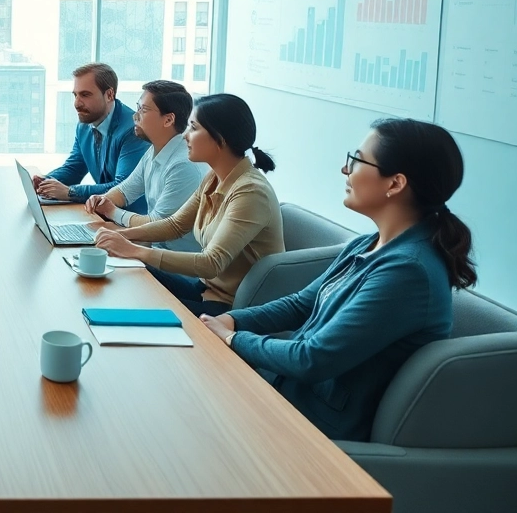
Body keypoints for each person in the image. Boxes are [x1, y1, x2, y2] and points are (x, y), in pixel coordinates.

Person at [200, 119, 474, 442]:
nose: (346, 170)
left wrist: (233, 340)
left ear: (395, 183)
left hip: (315, 430)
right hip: (286, 395)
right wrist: (231, 320)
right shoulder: (370, 243)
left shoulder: (409, 273)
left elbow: (312, 359)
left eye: (356, 160)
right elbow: (301, 303)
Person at [94, 93, 284, 315]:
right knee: (126, 277)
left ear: (220, 139)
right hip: (205, 290)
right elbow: (175, 225)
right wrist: (121, 237)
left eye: (193, 128)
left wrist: (134, 250)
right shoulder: (213, 177)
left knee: (133, 301)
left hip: (230, 308)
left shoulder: (251, 192)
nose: (185, 135)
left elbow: (211, 263)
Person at [84, 80, 206, 251]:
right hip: (153, 249)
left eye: (144, 110)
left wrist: (112, 211)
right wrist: (103, 200)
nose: (135, 116)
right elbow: (125, 191)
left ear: (168, 120)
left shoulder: (184, 165)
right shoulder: (154, 150)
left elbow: (157, 224)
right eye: (137, 107)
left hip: (176, 266)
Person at [32, 63, 149, 209]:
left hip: (132, 221)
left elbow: (123, 187)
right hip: (103, 214)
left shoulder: (134, 130)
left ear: (109, 95)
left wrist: (70, 192)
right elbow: (74, 168)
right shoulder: (84, 126)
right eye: (75, 95)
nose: (77, 103)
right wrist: (45, 181)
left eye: (85, 95)